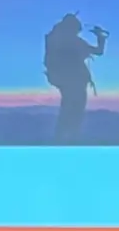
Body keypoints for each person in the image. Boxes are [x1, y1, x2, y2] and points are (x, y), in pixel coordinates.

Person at [44, 13, 108, 142]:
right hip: (76, 81)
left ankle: (61, 138)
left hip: (63, 80)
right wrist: (100, 37)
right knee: (76, 110)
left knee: (67, 108)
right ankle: (71, 138)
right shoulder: (73, 41)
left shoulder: (55, 39)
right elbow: (98, 51)